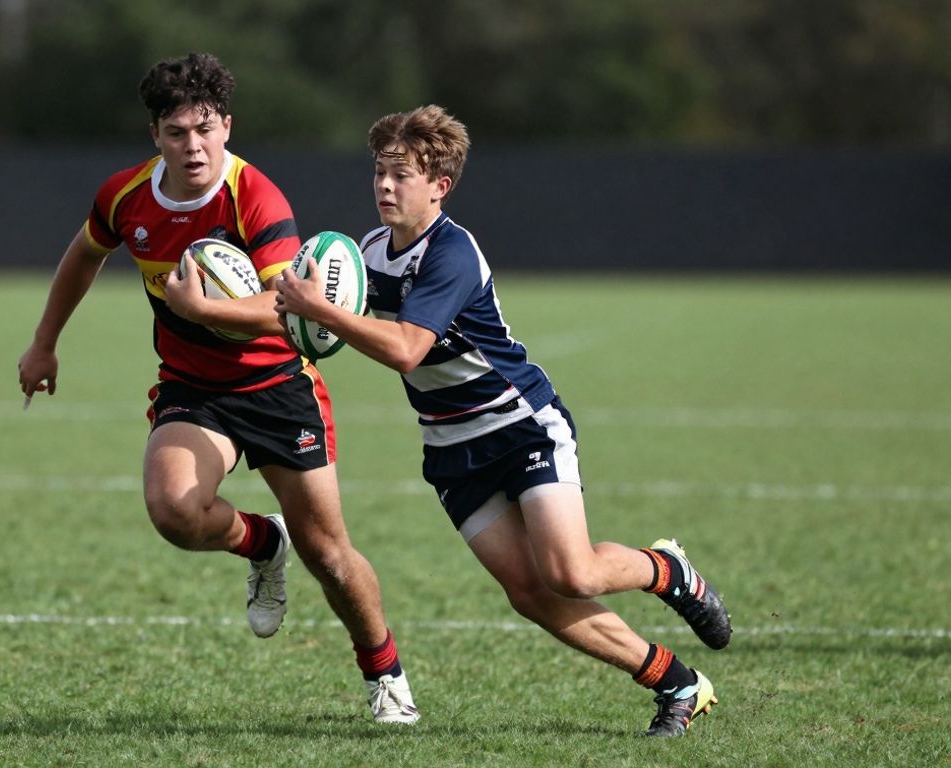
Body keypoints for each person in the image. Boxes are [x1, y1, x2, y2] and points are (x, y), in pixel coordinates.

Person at [274, 104, 731, 737]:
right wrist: (226, 300)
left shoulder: (452, 253)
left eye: (401, 175)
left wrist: (319, 311)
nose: (384, 186)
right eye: (379, 172)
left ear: (440, 186)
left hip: (519, 425)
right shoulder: (369, 252)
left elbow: (406, 347)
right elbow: (298, 303)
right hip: (451, 448)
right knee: (531, 594)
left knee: (570, 572)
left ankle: (666, 569)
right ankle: (676, 683)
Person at [16, 52, 418, 725]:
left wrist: (201, 311)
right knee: (174, 509)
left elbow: (285, 307)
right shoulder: (125, 196)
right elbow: (86, 252)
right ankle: (264, 544)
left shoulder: (255, 196)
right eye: (177, 132)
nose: (193, 146)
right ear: (156, 137)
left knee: (331, 556)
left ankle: (385, 672)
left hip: (278, 384)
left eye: (205, 129)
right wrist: (44, 341)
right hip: (193, 389)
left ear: (226, 127)